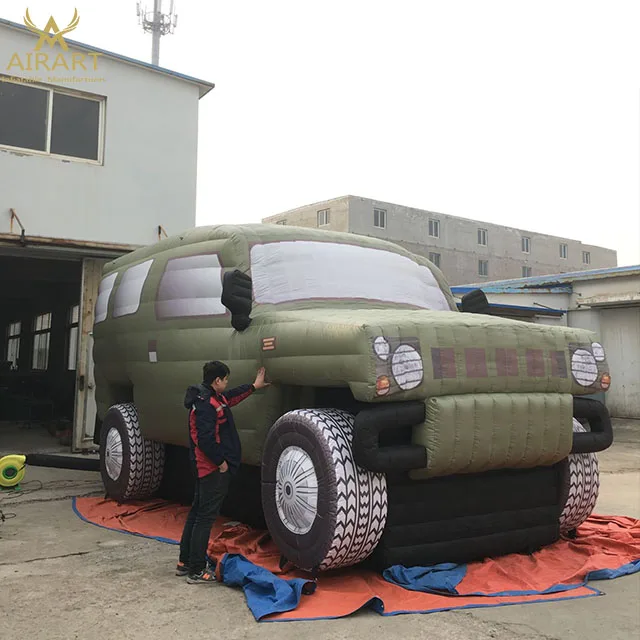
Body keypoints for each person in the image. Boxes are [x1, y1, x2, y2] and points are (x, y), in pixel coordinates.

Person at [176, 360, 270, 584]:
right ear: (217, 380)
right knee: (204, 518)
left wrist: (254, 386)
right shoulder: (205, 404)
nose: (227, 383)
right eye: (226, 379)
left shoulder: (211, 398)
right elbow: (205, 439)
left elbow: (230, 398)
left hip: (205, 467)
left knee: (198, 512)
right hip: (210, 469)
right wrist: (221, 463)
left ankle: (186, 561)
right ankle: (196, 569)